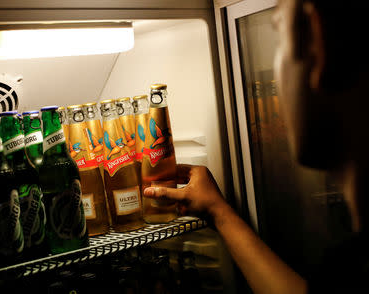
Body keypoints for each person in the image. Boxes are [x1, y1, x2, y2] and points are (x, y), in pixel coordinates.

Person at [144, 1, 369, 293]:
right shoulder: (353, 264)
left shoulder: (353, 262)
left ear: (318, 40)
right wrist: (217, 211)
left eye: (279, 34)